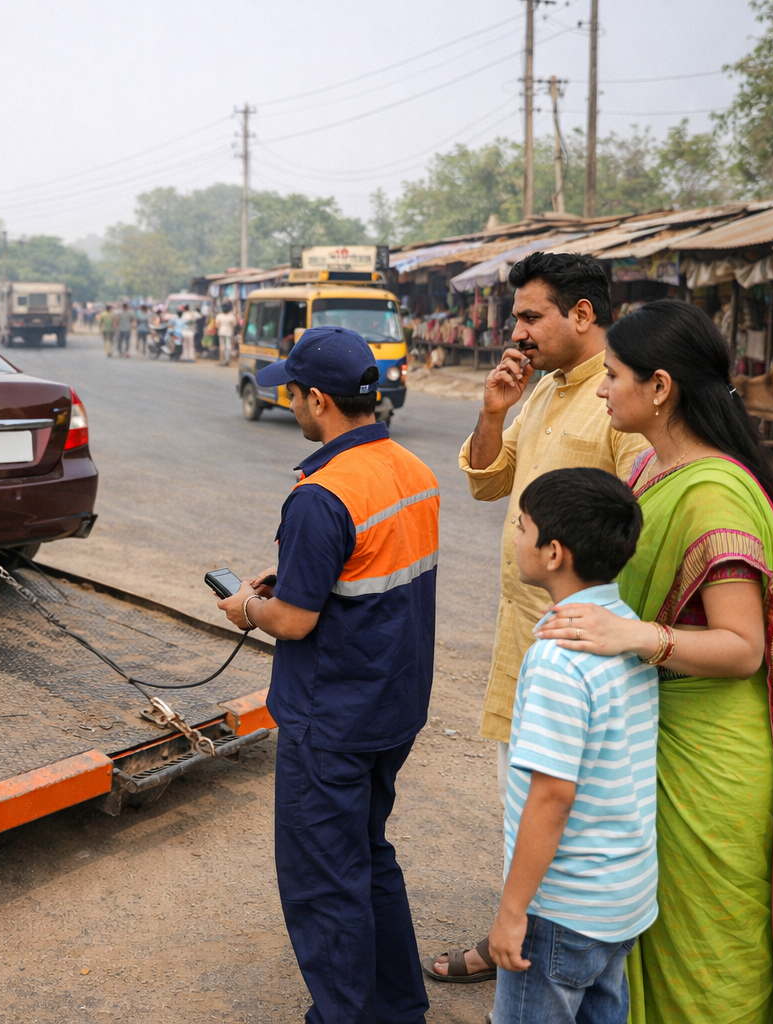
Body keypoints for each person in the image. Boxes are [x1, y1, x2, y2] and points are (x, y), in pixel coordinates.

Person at [537, 300, 773, 1024]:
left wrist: (636, 637)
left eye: (613, 375)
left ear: (660, 387)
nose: (602, 389)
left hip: (710, 763)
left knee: (710, 963)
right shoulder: (654, 467)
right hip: (660, 740)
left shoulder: (713, 495)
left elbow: (742, 647)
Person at [430, 252, 646, 984]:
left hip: (582, 653)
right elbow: (487, 482)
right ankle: (517, 939)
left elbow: (638, 530)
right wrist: (493, 411)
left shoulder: (619, 399)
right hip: (523, 645)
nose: (515, 332)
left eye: (530, 316)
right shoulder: (545, 390)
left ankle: (536, 959)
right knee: (519, 802)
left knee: (561, 813)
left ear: (581, 314)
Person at [217, 326, 438, 1024]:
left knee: (323, 877)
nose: (290, 404)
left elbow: (292, 621)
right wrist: (296, 573)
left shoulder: (322, 495)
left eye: (293, 393)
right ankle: (398, 1009)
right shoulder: (412, 469)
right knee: (369, 855)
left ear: (318, 400)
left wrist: (248, 607)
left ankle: (344, 1014)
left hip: (332, 718)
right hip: (393, 706)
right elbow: (370, 569)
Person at [489, 467, 657, 1024]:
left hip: (563, 907)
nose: (515, 536)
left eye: (522, 526)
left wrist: (513, 911)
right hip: (622, 896)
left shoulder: (559, 658)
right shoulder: (623, 626)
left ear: (554, 553)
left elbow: (553, 795)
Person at [216, 300, 238, 365]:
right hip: (229, 332)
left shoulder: (219, 315)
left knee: (222, 346)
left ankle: (222, 360)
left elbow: (217, 325)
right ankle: (227, 360)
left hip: (221, 332)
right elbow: (235, 324)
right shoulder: (231, 316)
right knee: (228, 346)